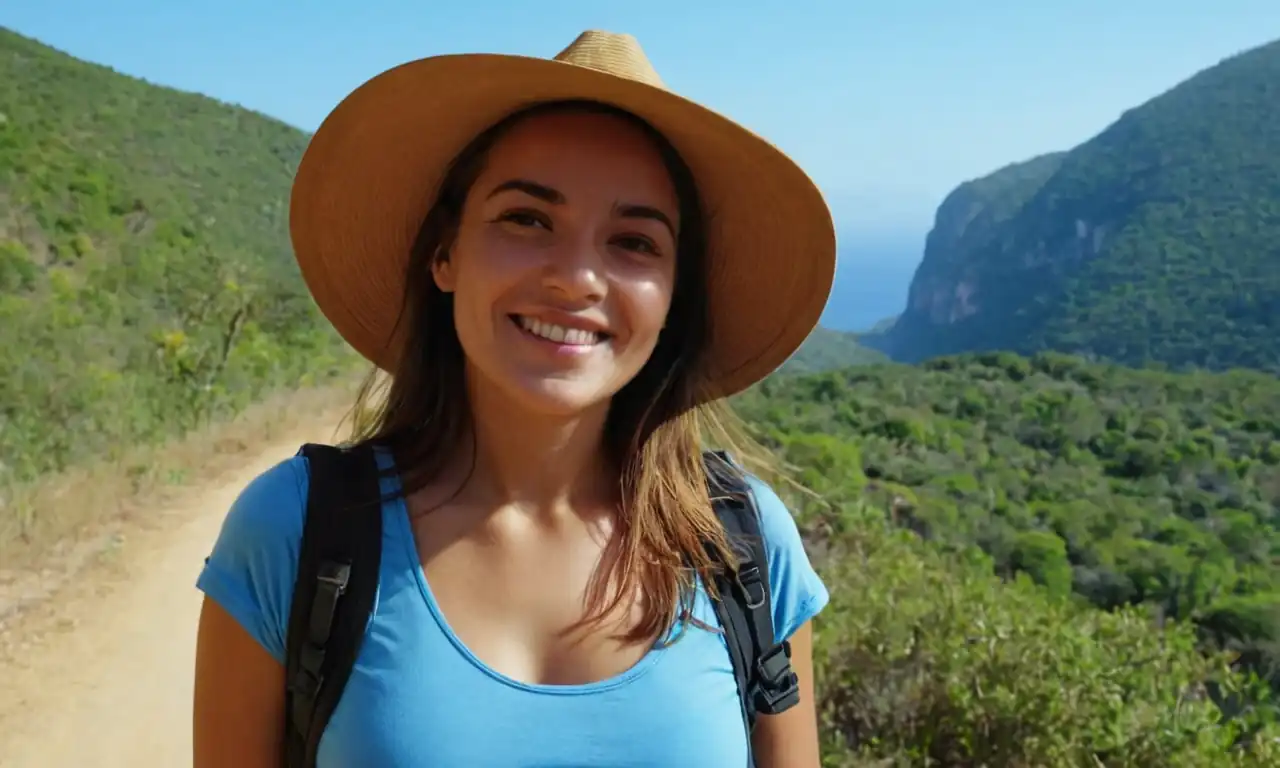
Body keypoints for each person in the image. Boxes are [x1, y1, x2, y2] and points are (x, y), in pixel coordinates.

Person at [192, 28, 836, 768]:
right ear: (444, 254)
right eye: (527, 219)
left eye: (633, 242)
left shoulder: (741, 549)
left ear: (673, 296)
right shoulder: (294, 535)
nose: (576, 279)